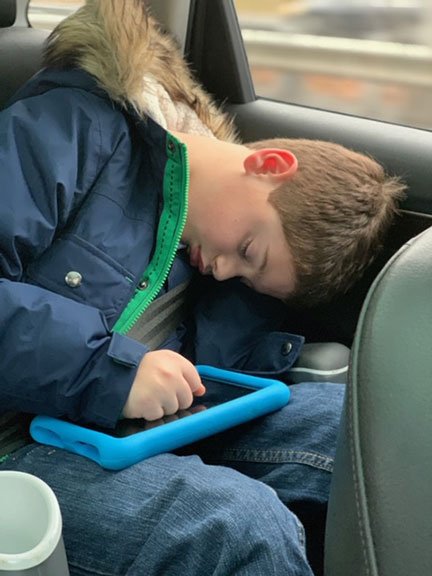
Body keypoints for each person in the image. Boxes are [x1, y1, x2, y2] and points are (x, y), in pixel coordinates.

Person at [0, 2, 406, 575]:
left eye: (249, 275)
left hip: (137, 427)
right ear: (268, 163)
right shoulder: (75, 127)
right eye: (247, 251)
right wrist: (109, 370)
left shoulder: (211, 253)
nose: (223, 270)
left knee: (368, 430)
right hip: (18, 443)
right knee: (237, 526)